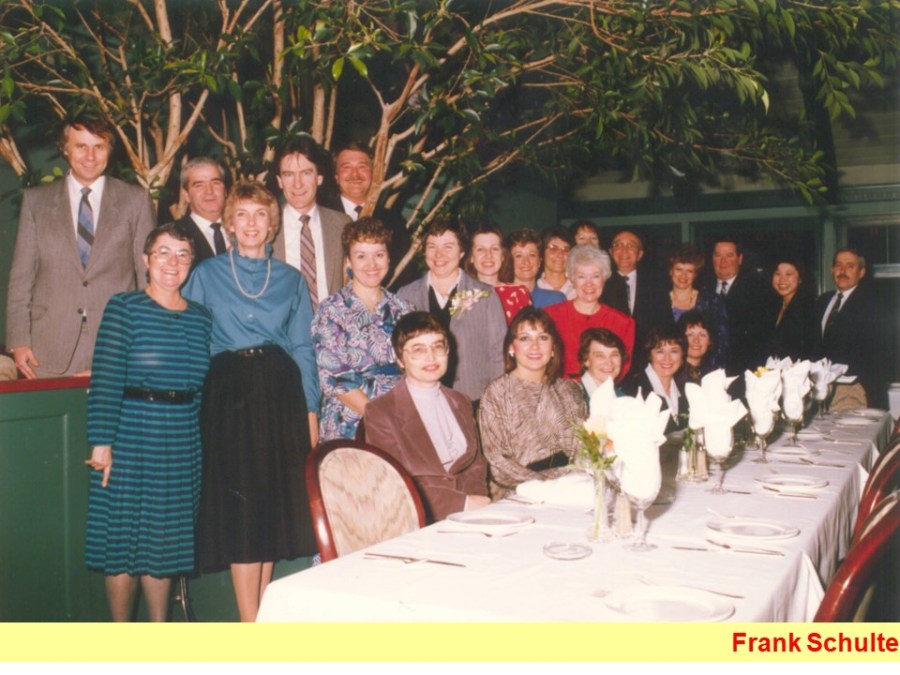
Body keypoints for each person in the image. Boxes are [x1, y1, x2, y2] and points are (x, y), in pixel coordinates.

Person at [182, 181, 321, 622]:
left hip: (280, 397)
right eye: (241, 214)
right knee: (243, 513)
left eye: (260, 214)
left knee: (268, 508)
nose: (251, 223)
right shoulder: (206, 274)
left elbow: (303, 348)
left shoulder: (291, 279)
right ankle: (248, 624)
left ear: (272, 223)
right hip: (229, 396)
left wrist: (310, 410)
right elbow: (191, 342)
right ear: (229, 222)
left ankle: (259, 618)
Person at [85, 222, 212, 621]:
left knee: (164, 542)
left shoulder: (201, 317)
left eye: (182, 254)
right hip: (131, 434)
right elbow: (106, 378)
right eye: (163, 252)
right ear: (145, 259)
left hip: (181, 438)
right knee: (122, 541)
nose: (172, 262)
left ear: (191, 263)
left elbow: (199, 387)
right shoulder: (125, 308)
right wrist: (102, 444)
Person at [6, 114, 155, 378]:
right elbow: (21, 279)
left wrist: (144, 340)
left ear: (109, 150)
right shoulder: (36, 202)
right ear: (65, 149)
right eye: (81, 146)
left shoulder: (136, 200)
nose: (90, 156)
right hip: (47, 347)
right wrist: (18, 340)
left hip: (116, 344)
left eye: (99, 147)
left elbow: (147, 279)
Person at [364, 312, 490, 521]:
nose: (431, 357)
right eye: (418, 349)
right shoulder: (381, 412)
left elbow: (476, 465)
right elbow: (393, 482)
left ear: (447, 351)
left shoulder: (461, 402)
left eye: (437, 347)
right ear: (400, 359)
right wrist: (462, 504)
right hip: (417, 519)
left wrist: (477, 505)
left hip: (470, 516)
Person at [311, 217, 411, 441]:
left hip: (402, 419)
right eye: (361, 256)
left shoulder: (404, 309)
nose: (371, 264)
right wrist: (381, 421)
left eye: (379, 254)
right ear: (348, 261)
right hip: (349, 424)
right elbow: (334, 378)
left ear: (389, 258)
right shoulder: (331, 310)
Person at [479, 307, 587, 499]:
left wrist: (570, 482)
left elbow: (583, 449)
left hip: (573, 488)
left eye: (543, 338)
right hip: (523, 494)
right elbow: (498, 463)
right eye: (524, 338)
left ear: (553, 348)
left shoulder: (570, 390)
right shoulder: (497, 393)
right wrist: (545, 483)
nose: (535, 346)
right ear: (511, 348)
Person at [397, 219, 506, 403]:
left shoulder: (485, 295)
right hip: (420, 400)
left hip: (473, 399)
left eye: (448, 247)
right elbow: (399, 353)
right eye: (432, 247)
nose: (439, 254)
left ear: (462, 252)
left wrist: (493, 402)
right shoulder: (405, 295)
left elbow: (499, 354)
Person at [272, 136, 351, 311]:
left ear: (319, 178)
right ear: (279, 181)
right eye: (288, 175)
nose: (297, 184)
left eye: (306, 173)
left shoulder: (342, 225)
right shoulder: (266, 227)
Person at [544, 245, 635, 379]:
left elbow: (622, 367)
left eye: (595, 276)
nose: (589, 283)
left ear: (604, 279)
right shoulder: (550, 315)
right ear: (572, 279)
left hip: (603, 388)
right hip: (558, 387)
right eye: (581, 276)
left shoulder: (623, 323)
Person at [813, 248, 885, 409]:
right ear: (832, 270)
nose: (843, 271)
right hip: (821, 393)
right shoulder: (822, 301)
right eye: (838, 265)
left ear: (861, 272)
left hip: (855, 391)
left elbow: (877, 355)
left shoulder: (873, 304)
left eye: (850, 266)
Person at [601, 230, 673, 372]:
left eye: (631, 246)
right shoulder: (601, 284)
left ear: (640, 254)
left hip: (647, 364)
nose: (624, 250)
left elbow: (665, 324)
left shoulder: (656, 284)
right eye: (618, 245)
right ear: (610, 252)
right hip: (611, 363)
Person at [698, 239, 768, 375]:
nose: (723, 261)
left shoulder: (757, 290)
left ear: (740, 259)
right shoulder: (701, 287)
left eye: (729, 256)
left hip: (742, 369)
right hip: (706, 369)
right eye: (718, 255)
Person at [624, 326, 688, 433]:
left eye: (674, 351)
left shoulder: (686, 389)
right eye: (660, 351)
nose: (667, 358)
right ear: (650, 355)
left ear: (682, 356)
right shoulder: (633, 389)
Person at [464, 223, 530, 323]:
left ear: (503, 256)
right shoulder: (462, 296)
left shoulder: (519, 294)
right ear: (471, 257)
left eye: (494, 249)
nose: (488, 255)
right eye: (480, 249)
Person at [169, 157, 228, 267]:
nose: (209, 191)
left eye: (215, 183)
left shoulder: (244, 230)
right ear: (186, 195)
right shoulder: (173, 236)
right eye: (199, 185)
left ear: (225, 190)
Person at [764, 258, 815, 361]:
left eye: (788, 274)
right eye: (778, 274)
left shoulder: (808, 309)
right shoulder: (772, 306)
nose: (782, 279)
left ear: (800, 279)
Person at [506, 229, 566, 309]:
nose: (526, 262)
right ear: (509, 261)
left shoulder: (556, 300)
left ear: (539, 261)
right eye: (519, 256)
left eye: (532, 255)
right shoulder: (500, 299)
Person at [578, 327, 628, 401]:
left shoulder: (623, 398)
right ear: (586, 360)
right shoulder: (572, 396)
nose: (609, 362)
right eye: (600, 356)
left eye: (614, 355)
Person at [332, 141, 373, 220]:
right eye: (347, 167)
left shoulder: (390, 219)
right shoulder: (321, 217)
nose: (355, 174)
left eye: (362, 166)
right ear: (336, 176)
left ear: (372, 173)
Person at [667, 243, 706, 322]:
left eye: (689, 271)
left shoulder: (709, 301)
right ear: (671, 271)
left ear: (695, 274)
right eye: (679, 269)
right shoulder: (659, 300)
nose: (683, 275)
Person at [676, 310, 716, 386]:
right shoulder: (673, 374)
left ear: (710, 341)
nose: (696, 340)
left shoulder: (713, 375)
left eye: (702, 335)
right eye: (690, 334)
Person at [536, 226, 576, 299]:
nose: (560, 255)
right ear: (542, 253)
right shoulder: (534, 289)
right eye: (553, 249)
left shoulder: (579, 289)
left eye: (566, 250)